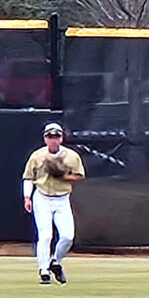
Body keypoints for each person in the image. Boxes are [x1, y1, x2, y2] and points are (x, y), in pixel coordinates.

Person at [22, 121, 86, 284]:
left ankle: (55, 261)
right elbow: (28, 177)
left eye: (56, 136)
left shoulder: (71, 156)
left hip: (62, 198)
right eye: (50, 136)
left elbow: (79, 176)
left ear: (61, 138)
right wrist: (27, 196)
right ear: (45, 138)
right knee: (45, 235)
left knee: (67, 236)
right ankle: (43, 270)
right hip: (42, 196)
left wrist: (63, 176)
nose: (53, 140)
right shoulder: (37, 156)